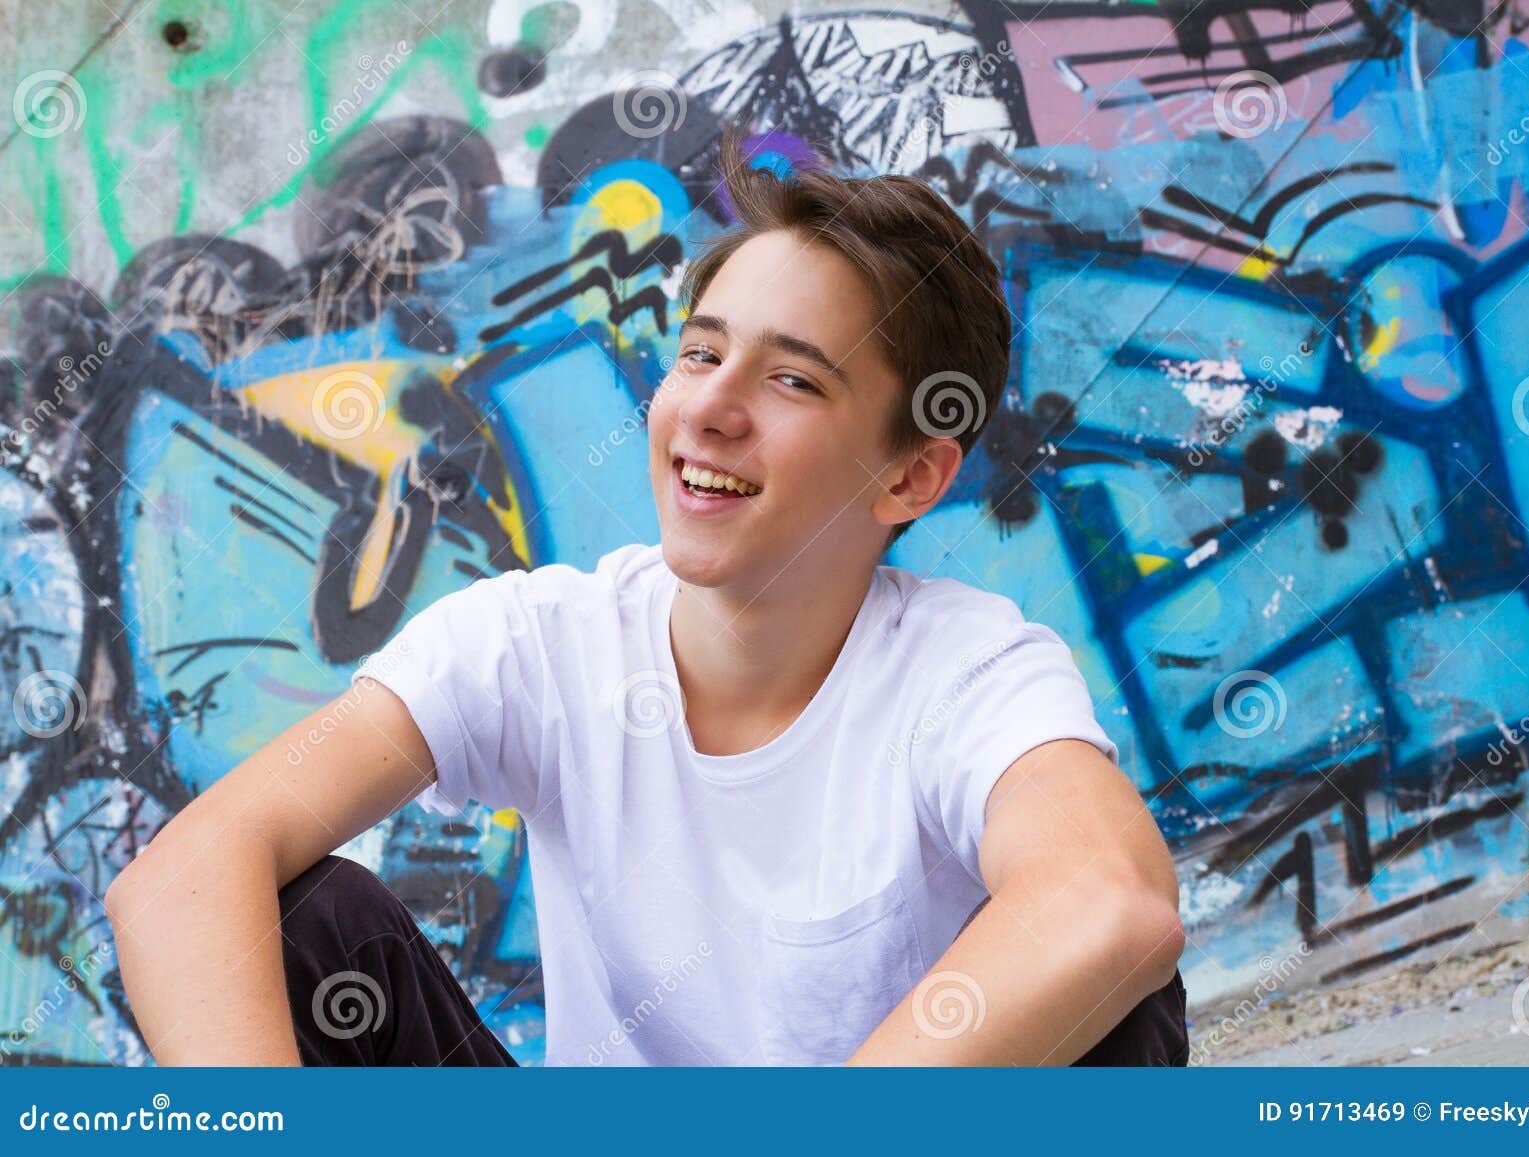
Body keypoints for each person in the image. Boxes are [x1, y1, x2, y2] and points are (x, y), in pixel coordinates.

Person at [106, 125, 1189, 1066]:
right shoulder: (536, 641)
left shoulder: (966, 671)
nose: (710, 407)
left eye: (792, 378)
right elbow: (185, 877)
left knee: (1114, 1007)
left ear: (910, 473)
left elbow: (1110, 900)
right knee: (306, 922)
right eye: (699, 353)